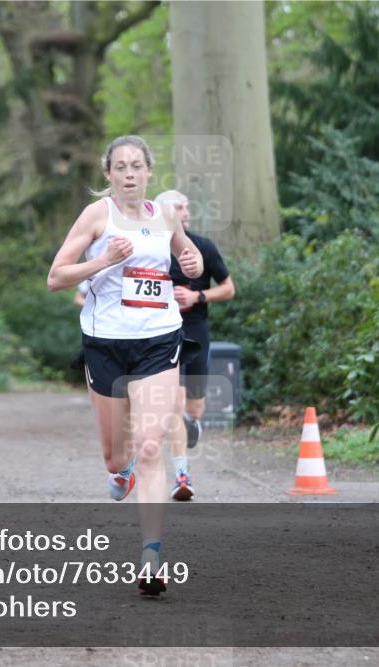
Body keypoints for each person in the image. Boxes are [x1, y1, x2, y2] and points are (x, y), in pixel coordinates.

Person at [47, 135, 203, 595]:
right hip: (106, 344)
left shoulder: (166, 215)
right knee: (117, 456)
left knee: (151, 446)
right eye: (121, 167)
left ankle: (151, 557)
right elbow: (56, 277)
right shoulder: (97, 216)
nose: (130, 174)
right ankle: (121, 471)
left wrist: (192, 264)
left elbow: (188, 257)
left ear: (149, 171)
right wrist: (104, 261)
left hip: (158, 339)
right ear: (108, 173)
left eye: (137, 165)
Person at [154, 190, 236, 502]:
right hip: (163, 332)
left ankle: (192, 423)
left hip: (196, 329)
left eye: (187, 207)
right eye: (178, 207)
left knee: (193, 407)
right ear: (162, 212)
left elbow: (229, 289)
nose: (185, 212)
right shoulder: (152, 248)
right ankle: (182, 475)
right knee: (174, 401)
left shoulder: (203, 247)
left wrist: (197, 296)